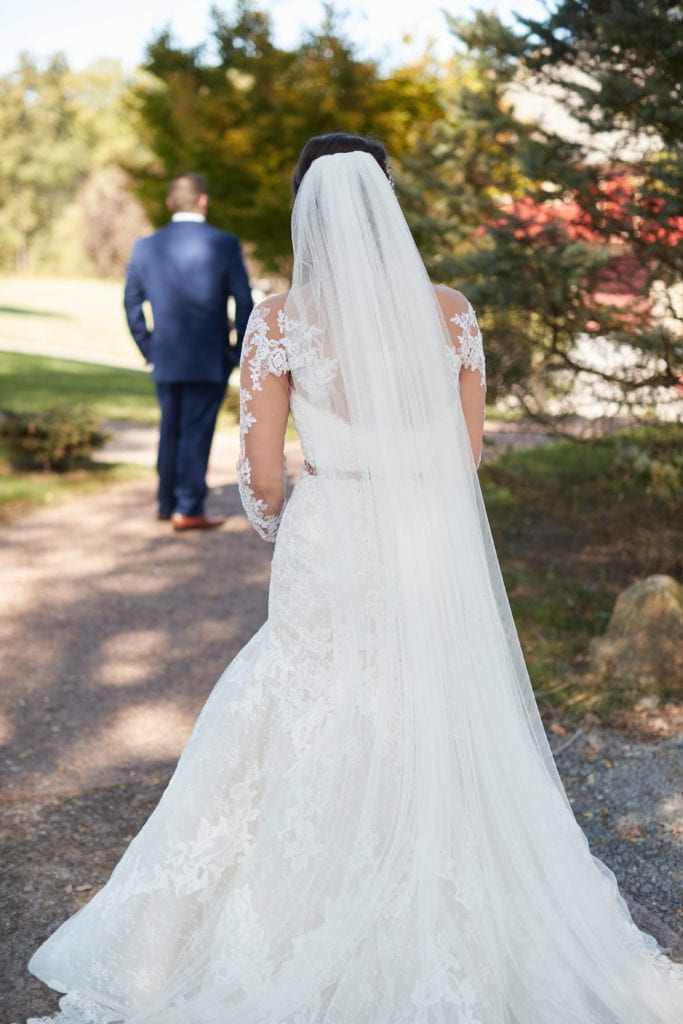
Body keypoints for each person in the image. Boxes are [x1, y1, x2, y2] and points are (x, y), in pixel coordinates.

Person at [28, 135, 681, 1022]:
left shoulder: (281, 317)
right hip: (423, 535)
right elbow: (466, 452)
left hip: (331, 535)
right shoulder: (450, 310)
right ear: (385, 201)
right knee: (428, 700)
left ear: (306, 208)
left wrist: (274, 514)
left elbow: (261, 473)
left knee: (305, 696)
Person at [123, 172, 253, 530]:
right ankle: (188, 507)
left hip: (165, 356)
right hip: (209, 357)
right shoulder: (223, 243)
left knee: (172, 429)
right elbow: (244, 301)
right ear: (203, 201)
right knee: (195, 432)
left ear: (169, 204)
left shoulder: (145, 246)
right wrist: (236, 350)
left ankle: (167, 501)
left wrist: (148, 347)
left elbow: (131, 303)